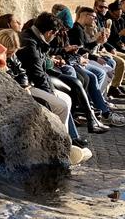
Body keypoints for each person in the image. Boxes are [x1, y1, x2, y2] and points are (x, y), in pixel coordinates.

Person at [14, 14, 93, 158]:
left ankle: (66, 140)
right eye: (55, 34)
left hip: (33, 82)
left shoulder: (36, 39)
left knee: (66, 99)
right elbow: (37, 73)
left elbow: (41, 70)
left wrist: (51, 90)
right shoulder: (30, 42)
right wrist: (50, 92)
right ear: (50, 32)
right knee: (61, 105)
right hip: (26, 85)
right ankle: (57, 146)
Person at [92, 0, 125, 97]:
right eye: (101, 7)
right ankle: (113, 87)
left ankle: (117, 85)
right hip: (98, 50)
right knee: (120, 61)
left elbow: (105, 39)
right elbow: (98, 39)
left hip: (105, 47)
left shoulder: (105, 20)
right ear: (95, 8)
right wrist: (110, 46)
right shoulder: (98, 20)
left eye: (105, 7)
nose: (104, 9)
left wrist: (111, 47)